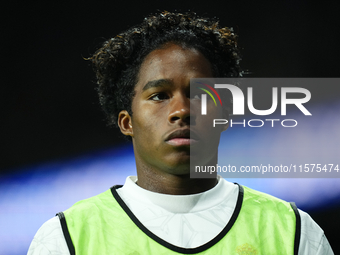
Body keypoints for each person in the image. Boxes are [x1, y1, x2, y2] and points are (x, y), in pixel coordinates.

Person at [28, 11, 333, 254]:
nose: (182, 110)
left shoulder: (292, 231)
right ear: (127, 122)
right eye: (159, 95)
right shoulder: (66, 239)